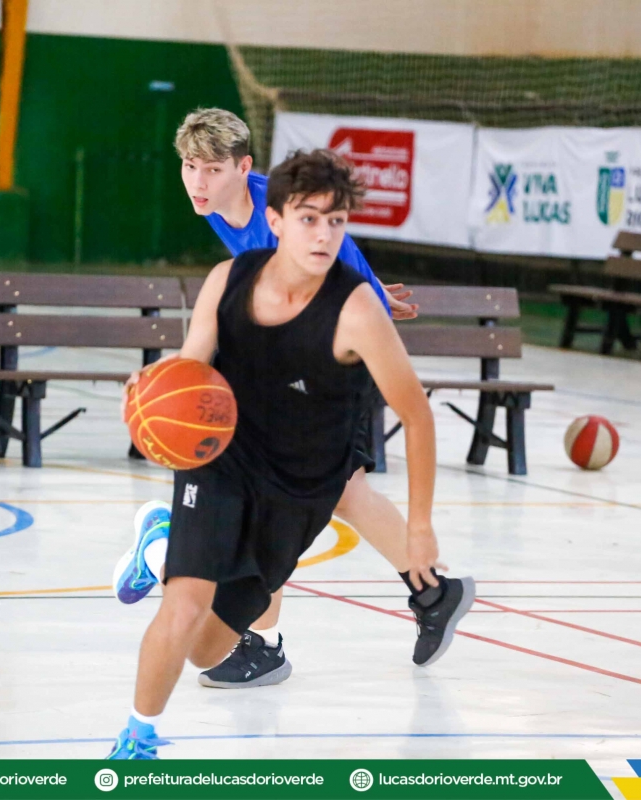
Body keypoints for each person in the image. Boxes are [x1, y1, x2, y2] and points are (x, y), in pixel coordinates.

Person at [107, 150, 474, 759]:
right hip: (223, 460)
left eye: (336, 221)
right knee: (184, 604)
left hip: (298, 490)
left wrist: (420, 526)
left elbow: (416, 415)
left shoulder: (358, 310)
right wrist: (153, 382)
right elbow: (193, 360)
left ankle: (157, 548)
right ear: (274, 220)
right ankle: (134, 743)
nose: (324, 235)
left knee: (207, 649)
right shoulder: (228, 281)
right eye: (309, 219)